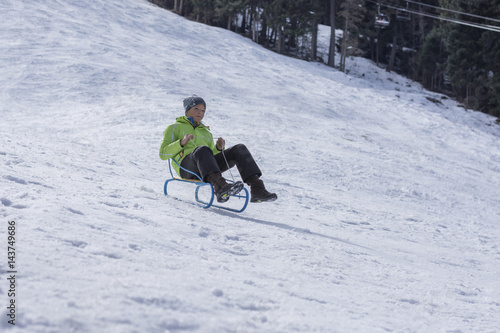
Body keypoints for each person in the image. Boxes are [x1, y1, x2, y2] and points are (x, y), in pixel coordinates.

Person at [159, 95, 277, 204]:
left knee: (239, 148)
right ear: (187, 110)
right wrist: (181, 143)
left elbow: (210, 157)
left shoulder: (205, 131)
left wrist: (218, 148)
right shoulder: (174, 127)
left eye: (203, 110)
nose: (200, 113)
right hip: (186, 168)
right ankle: (220, 187)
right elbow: (163, 154)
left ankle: (257, 189)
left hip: (205, 168)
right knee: (202, 150)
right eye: (196, 109)